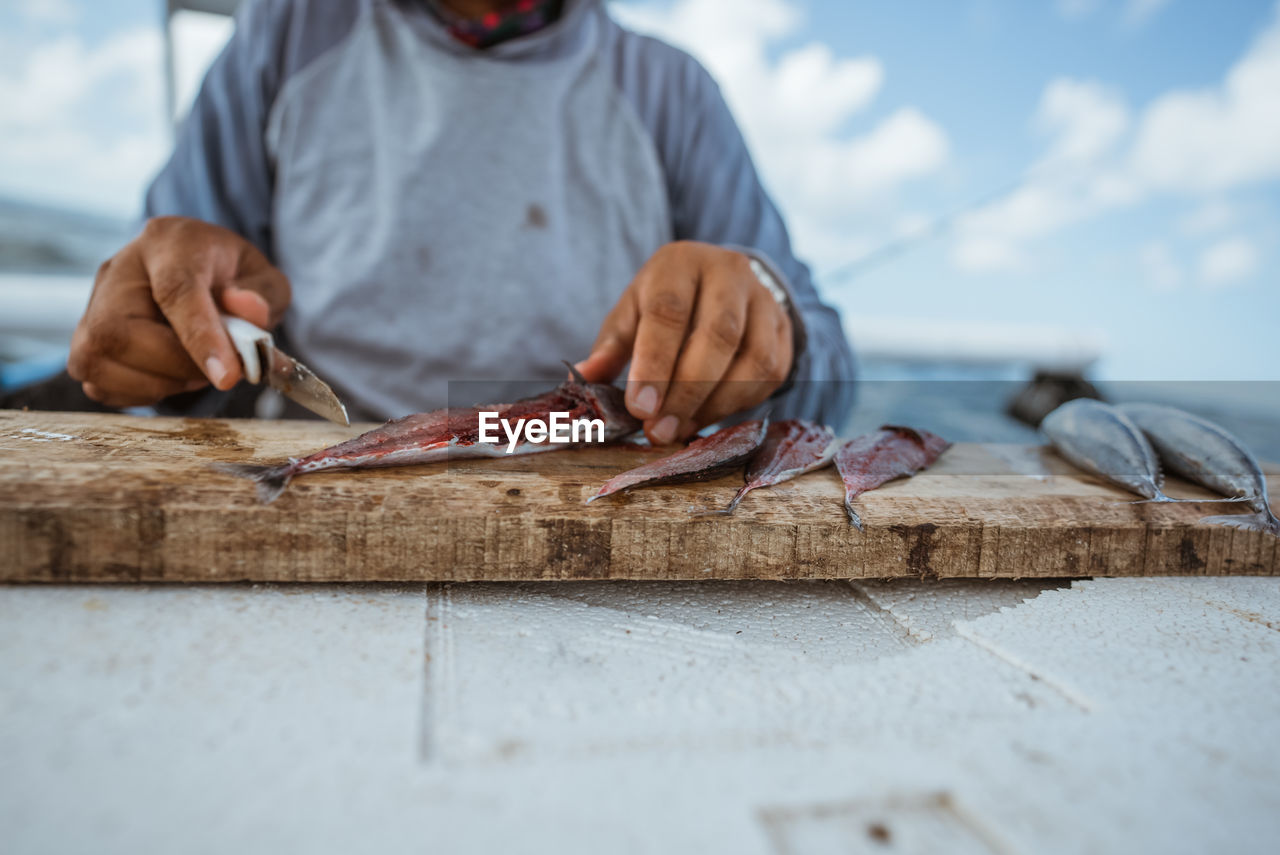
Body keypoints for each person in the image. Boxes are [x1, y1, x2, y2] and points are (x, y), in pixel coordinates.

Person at [66, 0, 855, 443]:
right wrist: (160, 329)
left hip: (590, 486)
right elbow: (168, 295)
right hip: (311, 457)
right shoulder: (283, 34)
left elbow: (830, 374)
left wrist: (769, 320)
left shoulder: (672, 93)